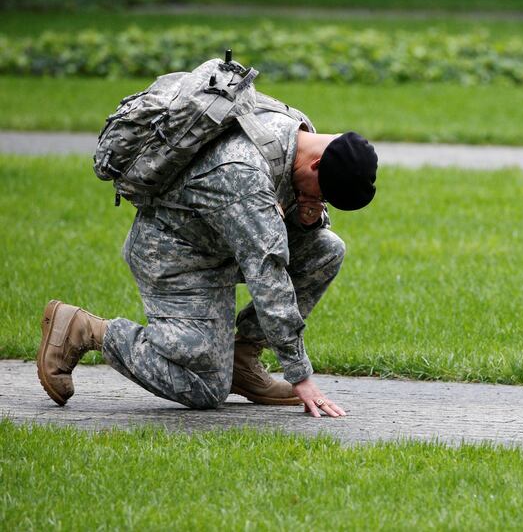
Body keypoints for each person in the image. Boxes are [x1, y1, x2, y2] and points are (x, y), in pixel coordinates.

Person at [35, 99, 378, 418]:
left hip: (223, 242)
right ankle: (86, 329)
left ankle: (242, 359)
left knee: (326, 248)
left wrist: (308, 218)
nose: (318, 200)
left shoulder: (300, 134)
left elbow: (279, 227)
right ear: (318, 163)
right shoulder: (244, 171)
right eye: (321, 193)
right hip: (177, 254)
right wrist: (300, 374)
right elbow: (267, 273)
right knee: (205, 388)